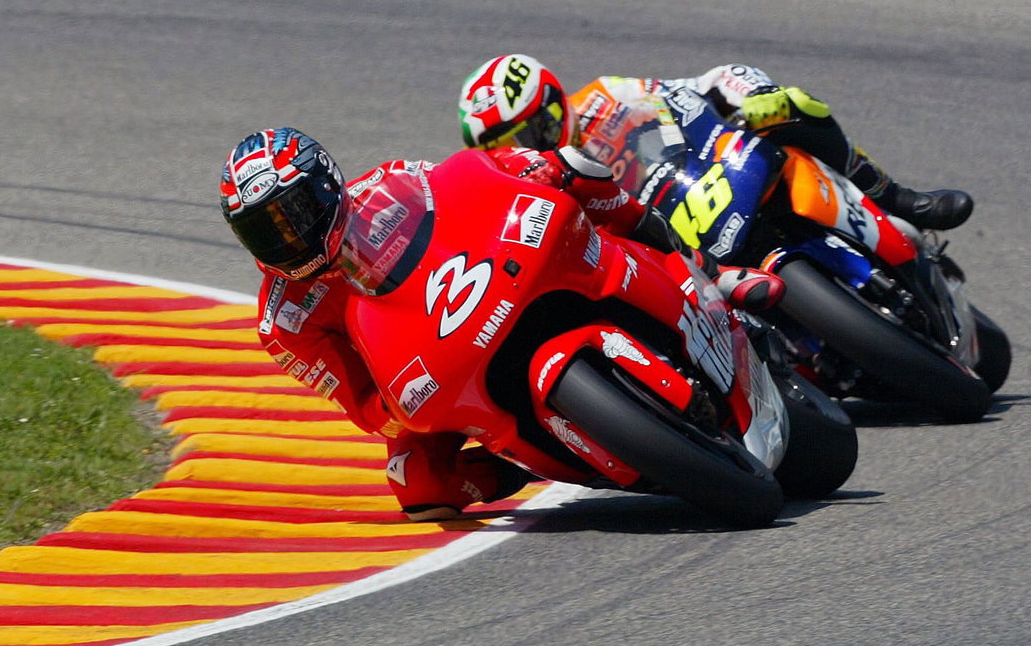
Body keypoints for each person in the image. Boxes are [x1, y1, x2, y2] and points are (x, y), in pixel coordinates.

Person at [218, 126, 767, 520]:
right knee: (416, 485)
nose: (288, 239)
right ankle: (528, 464)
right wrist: (398, 400)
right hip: (430, 364)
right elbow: (364, 409)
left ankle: (706, 269)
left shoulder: (387, 184)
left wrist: (536, 169)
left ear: (327, 186)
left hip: (488, 280)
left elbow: (473, 185)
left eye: (294, 215)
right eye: (266, 232)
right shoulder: (284, 322)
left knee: (575, 170)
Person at [456, 54, 974, 232]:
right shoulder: (539, 195)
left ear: (553, 102)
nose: (528, 148)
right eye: (509, 146)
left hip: (715, 176)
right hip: (675, 242)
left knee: (789, 109)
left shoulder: (606, 95)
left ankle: (896, 197)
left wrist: (753, 95)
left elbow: (706, 84)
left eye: (531, 132)